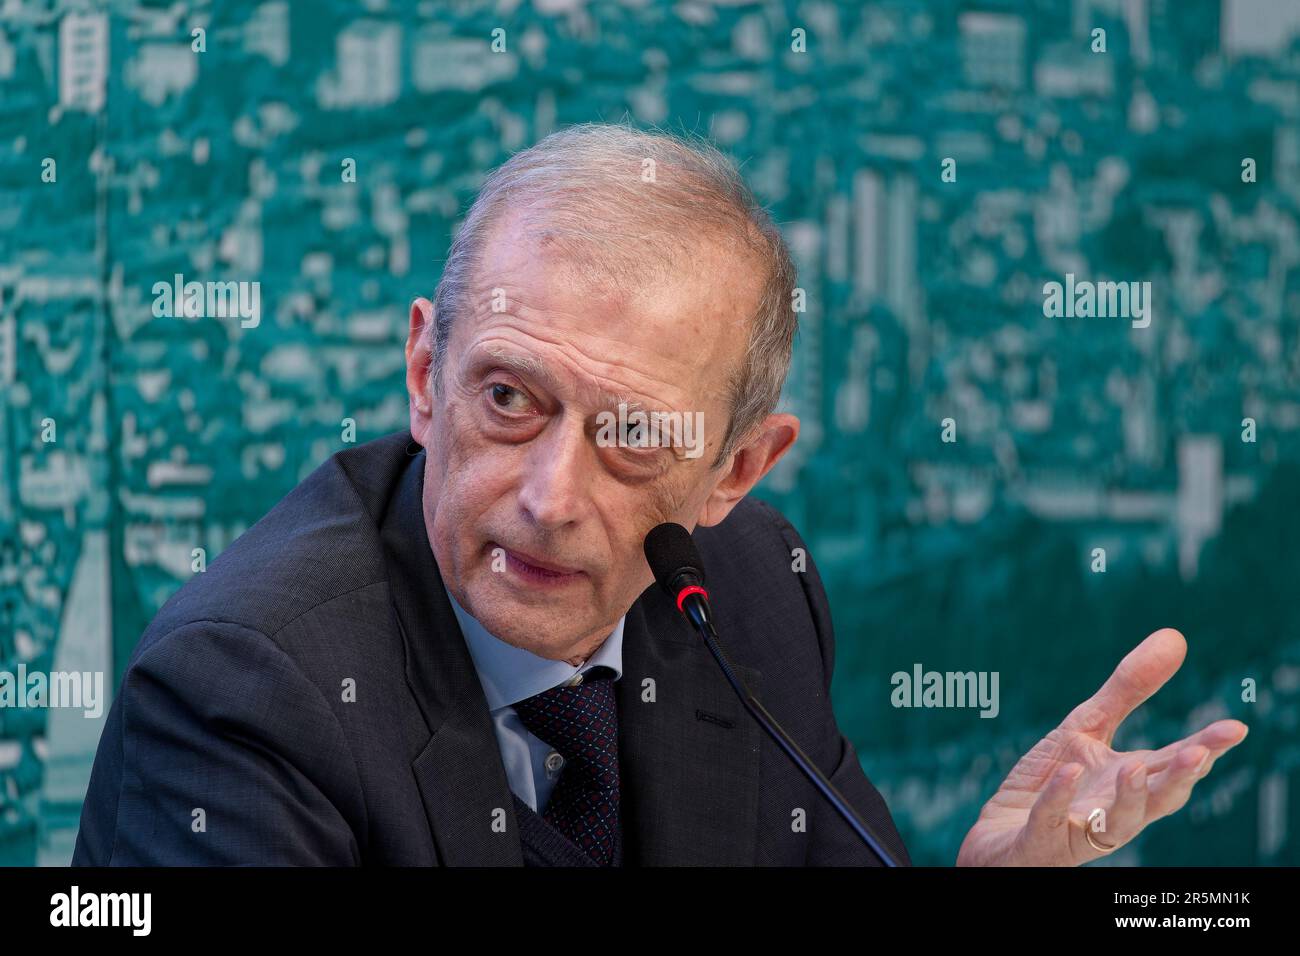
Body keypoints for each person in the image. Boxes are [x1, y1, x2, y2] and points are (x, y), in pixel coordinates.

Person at [72, 123, 1247, 866]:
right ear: (424, 377)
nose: (549, 495)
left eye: (635, 435)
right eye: (509, 398)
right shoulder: (246, 689)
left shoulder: (744, 591)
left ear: (735, 470)